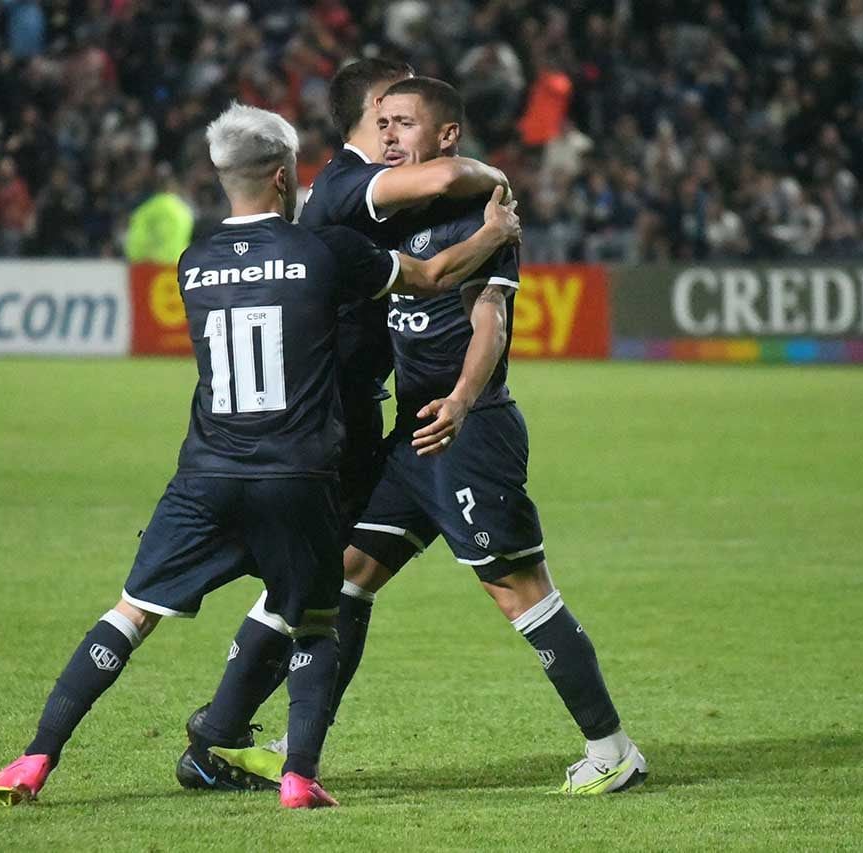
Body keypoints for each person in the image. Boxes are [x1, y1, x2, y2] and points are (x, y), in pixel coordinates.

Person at [0, 102, 521, 810]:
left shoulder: (193, 263)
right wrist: (492, 234)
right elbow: (431, 277)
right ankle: (299, 775)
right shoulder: (323, 251)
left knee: (131, 614)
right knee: (317, 622)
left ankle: (33, 759)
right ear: (284, 176)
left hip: (206, 474)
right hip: (296, 476)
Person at [193, 78, 647, 796]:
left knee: (517, 588)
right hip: (410, 437)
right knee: (347, 575)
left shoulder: (478, 213)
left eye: (405, 123)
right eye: (384, 124)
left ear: (446, 138)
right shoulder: (392, 213)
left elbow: (490, 318)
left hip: (468, 432)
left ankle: (612, 747)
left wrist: (462, 400)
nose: (390, 135)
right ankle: (297, 743)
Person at [176, 58, 516, 790]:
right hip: (329, 414)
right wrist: (497, 184)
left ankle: (227, 731)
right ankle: (219, 735)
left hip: (338, 407)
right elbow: (447, 180)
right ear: (373, 109)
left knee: (340, 577)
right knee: (313, 581)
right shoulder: (349, 182)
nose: (400, 121)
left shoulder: (354, 184)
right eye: (392, 109)